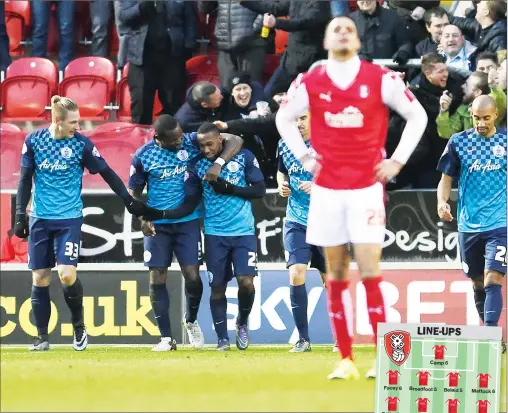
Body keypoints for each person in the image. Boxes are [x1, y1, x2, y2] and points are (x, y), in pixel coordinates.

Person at [275, 16, 428, 380]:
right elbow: (283, 119)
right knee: (336, 273)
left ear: (357, 40)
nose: (343, 31)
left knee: (370, 271)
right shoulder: (310, 81)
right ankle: (345, 358)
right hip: (327, 190)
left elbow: (417, 116)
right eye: (336, 28)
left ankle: (382, 358)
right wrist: (304, 156)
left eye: (349, 28)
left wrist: (397, 161)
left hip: (366, 188)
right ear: (326, 40)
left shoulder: (380, 79)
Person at [13, 96, 152, 351]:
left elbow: (107, 172)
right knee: (40, 277)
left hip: (69, 218)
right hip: (40, 218)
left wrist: (128, 200)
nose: (78, 127)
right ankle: (42, 338)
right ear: (57, 120)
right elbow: (24, 180)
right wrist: (20, 215)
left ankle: (79, 326)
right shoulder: (34, 141)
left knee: (66, 275)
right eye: (73, 122)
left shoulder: (81, 144)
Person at [129, 115, 243, 351]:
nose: (180, 142)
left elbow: (235, 140)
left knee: (192, 276)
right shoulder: (143, 156)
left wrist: (218, 163)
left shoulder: (191, 141)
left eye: (181, 136)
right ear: (158, 138)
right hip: (158, 224)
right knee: (157, 276)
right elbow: (134, 192)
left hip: (188, 222)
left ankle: (190, 320)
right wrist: (142, 217)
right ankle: (166, 339)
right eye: (174, 140)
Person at [151, 123, 266, 351]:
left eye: (209, 144)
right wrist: (160, 215)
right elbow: (190, 202)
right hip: (214, 235)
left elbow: (259, 190)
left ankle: (242, 322)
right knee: (217, 287)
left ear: (220, 140)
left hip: (244, 232)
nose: (205, 149)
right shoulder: (196, 166)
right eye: (202, 145)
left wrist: (230, 189)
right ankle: (222, 339)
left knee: (246, 284)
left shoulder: (244, 157)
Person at [437, 95, 506, 349]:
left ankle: (490, 336)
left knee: (492, 278)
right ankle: (489, 332)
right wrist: (442, 202)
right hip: (468, 225)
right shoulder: (459, 142)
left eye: (486, 118)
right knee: (477, 281)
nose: (481, 123)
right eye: (477, 118)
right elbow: (446, 178)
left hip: (500, 223)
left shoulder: (506, 142)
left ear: (495, 114)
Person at [277, 111, 327, 353]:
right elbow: (281, 170)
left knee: (332, 282)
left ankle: (341, 337)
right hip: (296, 219)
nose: (299, 123)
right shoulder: (285, 144)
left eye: (304, 118)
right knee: (296, 273)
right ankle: (303, 339)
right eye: (295, 119)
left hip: (327, 221)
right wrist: (281, 185)